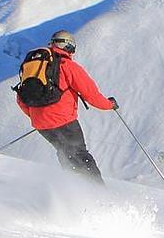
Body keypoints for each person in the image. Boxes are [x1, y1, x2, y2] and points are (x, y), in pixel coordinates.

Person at [14, 29, 114, 184]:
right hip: (64, 121)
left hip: (41, 123)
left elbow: (22, 98)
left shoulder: (34, 65)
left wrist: (39, 115)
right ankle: (99, 193)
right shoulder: (67, 65)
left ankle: (72, 189)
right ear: (68, 47)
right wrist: (110, 105)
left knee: (64, 152)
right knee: (80, 154)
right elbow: (91, 94)